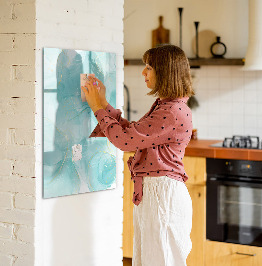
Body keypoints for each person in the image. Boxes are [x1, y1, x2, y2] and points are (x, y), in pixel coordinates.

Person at [81, 44, 194, 266]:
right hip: (156, 193)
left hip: (162, 195)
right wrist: (103, 103)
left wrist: (97, 108)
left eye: (149, 67)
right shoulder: (167, 106)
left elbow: (125, 141)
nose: (143, 72)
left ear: (165, 72)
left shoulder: (171, 111)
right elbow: (133, 134)